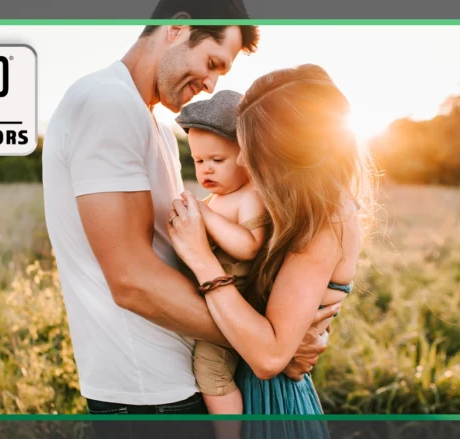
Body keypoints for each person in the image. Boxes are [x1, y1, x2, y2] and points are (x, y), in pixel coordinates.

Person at [41, 0, 340, 425]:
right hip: (149, 392)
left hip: (179, 378)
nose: (212, 84)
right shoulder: (107, 103)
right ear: (177, 29)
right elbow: (131, 281)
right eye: (212, 63)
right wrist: (269, 343)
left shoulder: (156, 126)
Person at [167, 63, 375, 421]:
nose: (242, 159)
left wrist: (202, 259)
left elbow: (268, 357)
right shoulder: (291, 207)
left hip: (271, 401)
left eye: (251, 148)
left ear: (289, 152)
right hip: (243, 381)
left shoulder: (327, 217)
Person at [174, 89, 269, 416]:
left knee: (211, 372)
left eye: (217, 160)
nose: (206, 170)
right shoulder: (217, 199)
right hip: (211, 301)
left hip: (235, 305)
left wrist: (206, 215)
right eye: (199, 161)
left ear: (246, 157)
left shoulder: (249, 195)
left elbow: (250, 245)